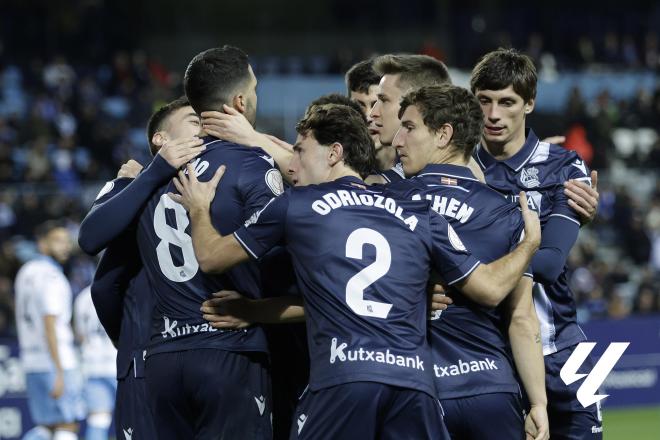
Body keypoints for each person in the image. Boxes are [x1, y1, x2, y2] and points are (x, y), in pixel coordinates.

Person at [170, 103, 542, 439]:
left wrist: (199, 208)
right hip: (413, 387)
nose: (292, 165)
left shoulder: (296, 205)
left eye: (300, 151)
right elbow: (491, 289)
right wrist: (529, 244)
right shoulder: (415, 211)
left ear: (334, 153)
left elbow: (211, 257)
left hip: (342, 381)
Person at [129, 45, 281, 439]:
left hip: (163, 359)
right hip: (228, 346)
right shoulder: (252, 164)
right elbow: (289, 246)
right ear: (240, 101)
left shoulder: (154, 173)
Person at [388, 84, 548, 440]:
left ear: (444, 134)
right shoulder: (508, 213)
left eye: (410, 127)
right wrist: (538, 403)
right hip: (492, 390)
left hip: (417, 388)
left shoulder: (387, 202)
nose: (398, 140)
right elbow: (522, 319)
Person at [470, 48, 601, 439]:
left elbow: (548, 263)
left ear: (529, 103)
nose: (493, 115)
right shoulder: (457, 173)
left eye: (506, 102)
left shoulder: (564, 166)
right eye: (484, 101)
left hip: (565, 350)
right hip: (494, 357)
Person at [78, 96, 203, 440]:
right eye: (194, 120)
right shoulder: (133, 190)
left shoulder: (227, 176)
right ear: (160, 139)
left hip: (183, 355)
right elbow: (91, 240)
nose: (203, 127)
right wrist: (147, 176)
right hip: (160, 358)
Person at [15, 221, 85, 440]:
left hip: (31, 361)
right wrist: (59, 371)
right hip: (56, 361)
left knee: (47, 427)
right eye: (57, 241)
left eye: (66, 241)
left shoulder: (25, 271)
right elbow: (49, 323)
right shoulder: (52, 276)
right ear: (42, 244)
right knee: (68, 425)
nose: (65, 246)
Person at [367, 54, 455, 184]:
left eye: (384, 100)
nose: (373, 113)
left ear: (416, 101)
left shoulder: (461, 181)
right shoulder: (416, 163)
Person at [73, 286, 117, 440]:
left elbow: (80, 335)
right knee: (134, 417)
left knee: (98, 420)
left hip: (92, 365)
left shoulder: (83, 297)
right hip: (119, 364)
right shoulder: (120, 289)